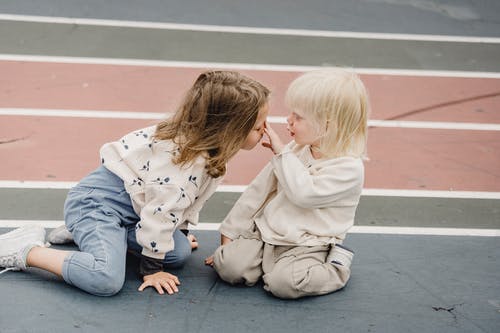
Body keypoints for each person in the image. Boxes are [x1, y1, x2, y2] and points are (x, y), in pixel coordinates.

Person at [0, 70, 270, 296]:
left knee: (179, 252)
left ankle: (86, 233)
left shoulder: (204, 146)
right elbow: (161, 211)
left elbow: (186, 202)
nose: (266, 131)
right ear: (230, 130)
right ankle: (26, 250)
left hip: (131, 209)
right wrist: (152, 270)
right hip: (96, 205)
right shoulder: (181, 165)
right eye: (259, 126)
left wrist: (182, 231)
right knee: (105, 279)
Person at [205, 68, 368, 299]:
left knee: (284, 285)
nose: (288, 120)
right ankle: (268, 265)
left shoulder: (348, 168)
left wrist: (281, 153)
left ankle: (335, 267)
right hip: (267, 233)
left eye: (298, 117)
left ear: (328, 126)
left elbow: (304, 194)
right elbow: (258, 191)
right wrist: (229, 237)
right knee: (228, 267)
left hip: (309, 243)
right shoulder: (295, 150)